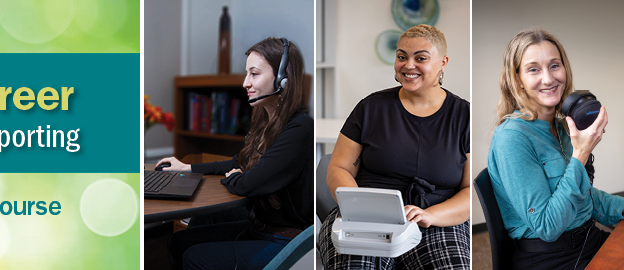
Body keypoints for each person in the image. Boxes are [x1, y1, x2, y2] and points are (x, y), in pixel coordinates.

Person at [318, 24, 471, 269]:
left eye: (420, 58)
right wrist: (360, 207)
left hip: (437, 219)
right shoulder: (370, 108)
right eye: (402, 57)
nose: (408, 65)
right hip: (366, 218)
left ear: (443, 62)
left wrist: (430, 216)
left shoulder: (464, 115)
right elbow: (338, 168)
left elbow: (468, 192)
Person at [155, 37, 313, 269]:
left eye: (254, 74)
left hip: (285, 241)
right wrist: (186, 168)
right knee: (179, 241)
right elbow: (239, 163)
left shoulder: (300, 128)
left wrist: (237, 177)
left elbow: (247, 184)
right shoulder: (265, 121)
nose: (245, 83)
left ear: (282, 79)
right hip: (258, 228)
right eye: (246, 74)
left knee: (195, 257)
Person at [486, 28, 623, 270]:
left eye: (554, 65)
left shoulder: (561, 126)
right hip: (552, 260)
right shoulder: (511, 138)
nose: (548, 79)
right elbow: (547, 226)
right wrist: (580, 155)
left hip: (588, 241)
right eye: (533, 69)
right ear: (517, 78)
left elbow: (586, 198)